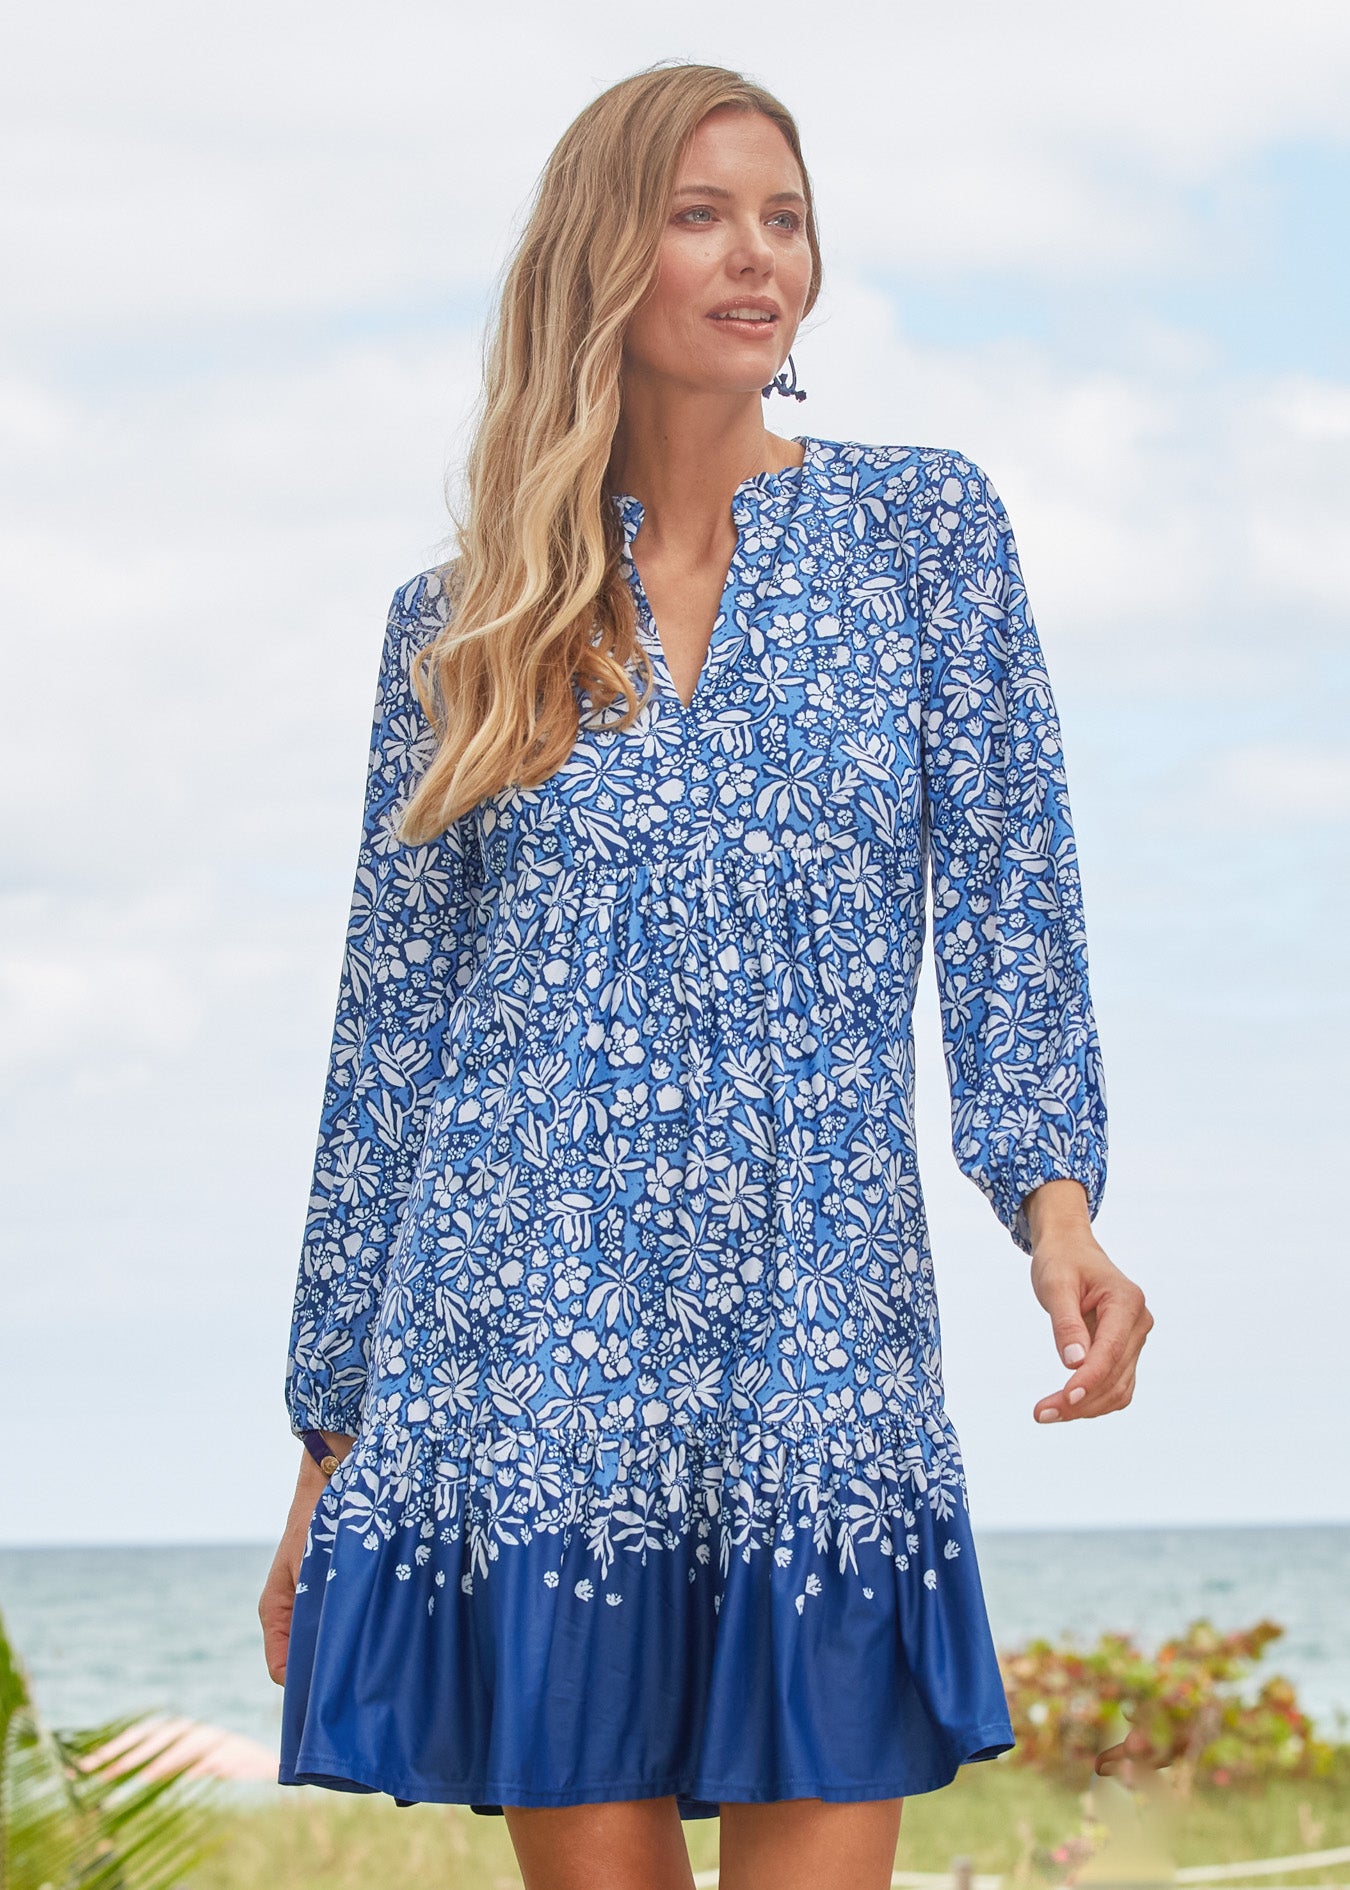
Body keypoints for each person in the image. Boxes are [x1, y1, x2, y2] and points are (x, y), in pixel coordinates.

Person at [257, 59, 1153, 1890]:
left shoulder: (923, 534)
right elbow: (392, 1047)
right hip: (526, 1358)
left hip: (823, 1321)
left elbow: (1008, 895)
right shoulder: (460, 622)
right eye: (700, 215)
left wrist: (1052, 1207)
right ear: (605, 260)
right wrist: (326, 1442)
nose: (758, 260)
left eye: (786, 217)